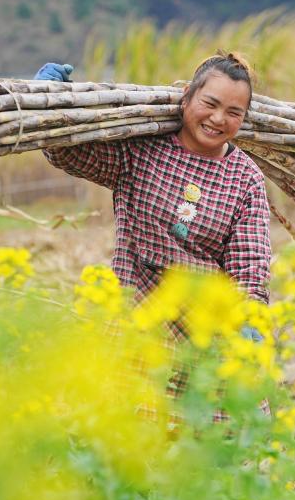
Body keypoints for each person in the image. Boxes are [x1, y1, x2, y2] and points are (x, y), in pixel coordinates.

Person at [38, 52, 272, 313]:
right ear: (187, 97)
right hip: (133, 320)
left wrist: (251, 313)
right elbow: (71, 154)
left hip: (203, 329)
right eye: (210, 103)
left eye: (233, 112)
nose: (218, 119)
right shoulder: (143, 149)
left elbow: (249, 261)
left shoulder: (245, 177)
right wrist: (50, 106)